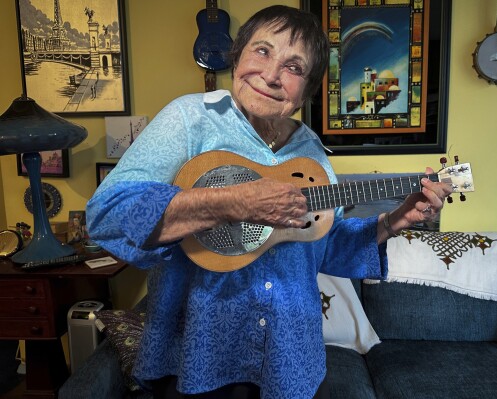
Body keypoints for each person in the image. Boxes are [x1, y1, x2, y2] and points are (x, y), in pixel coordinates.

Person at [86, 5, 452, 399]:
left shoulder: (314, 155)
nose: (272, 75)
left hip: (289, 356)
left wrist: (395, 220)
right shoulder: (190, 119)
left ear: (306, 90)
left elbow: (323, 247)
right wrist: (234, 202)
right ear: (239, 54)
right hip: (202, 353)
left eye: (294, 68)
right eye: (262, 51)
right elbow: (108, 214)